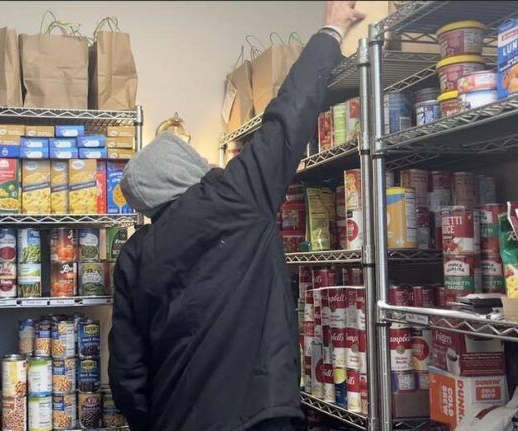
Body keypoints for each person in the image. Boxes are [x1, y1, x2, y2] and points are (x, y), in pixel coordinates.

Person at [107, 2, 365, 430]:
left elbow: (127, 375)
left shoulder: (134, 256)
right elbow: (288, 118)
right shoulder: (237, 193)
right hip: (259, 417)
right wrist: (330, 32)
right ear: (187, 167)